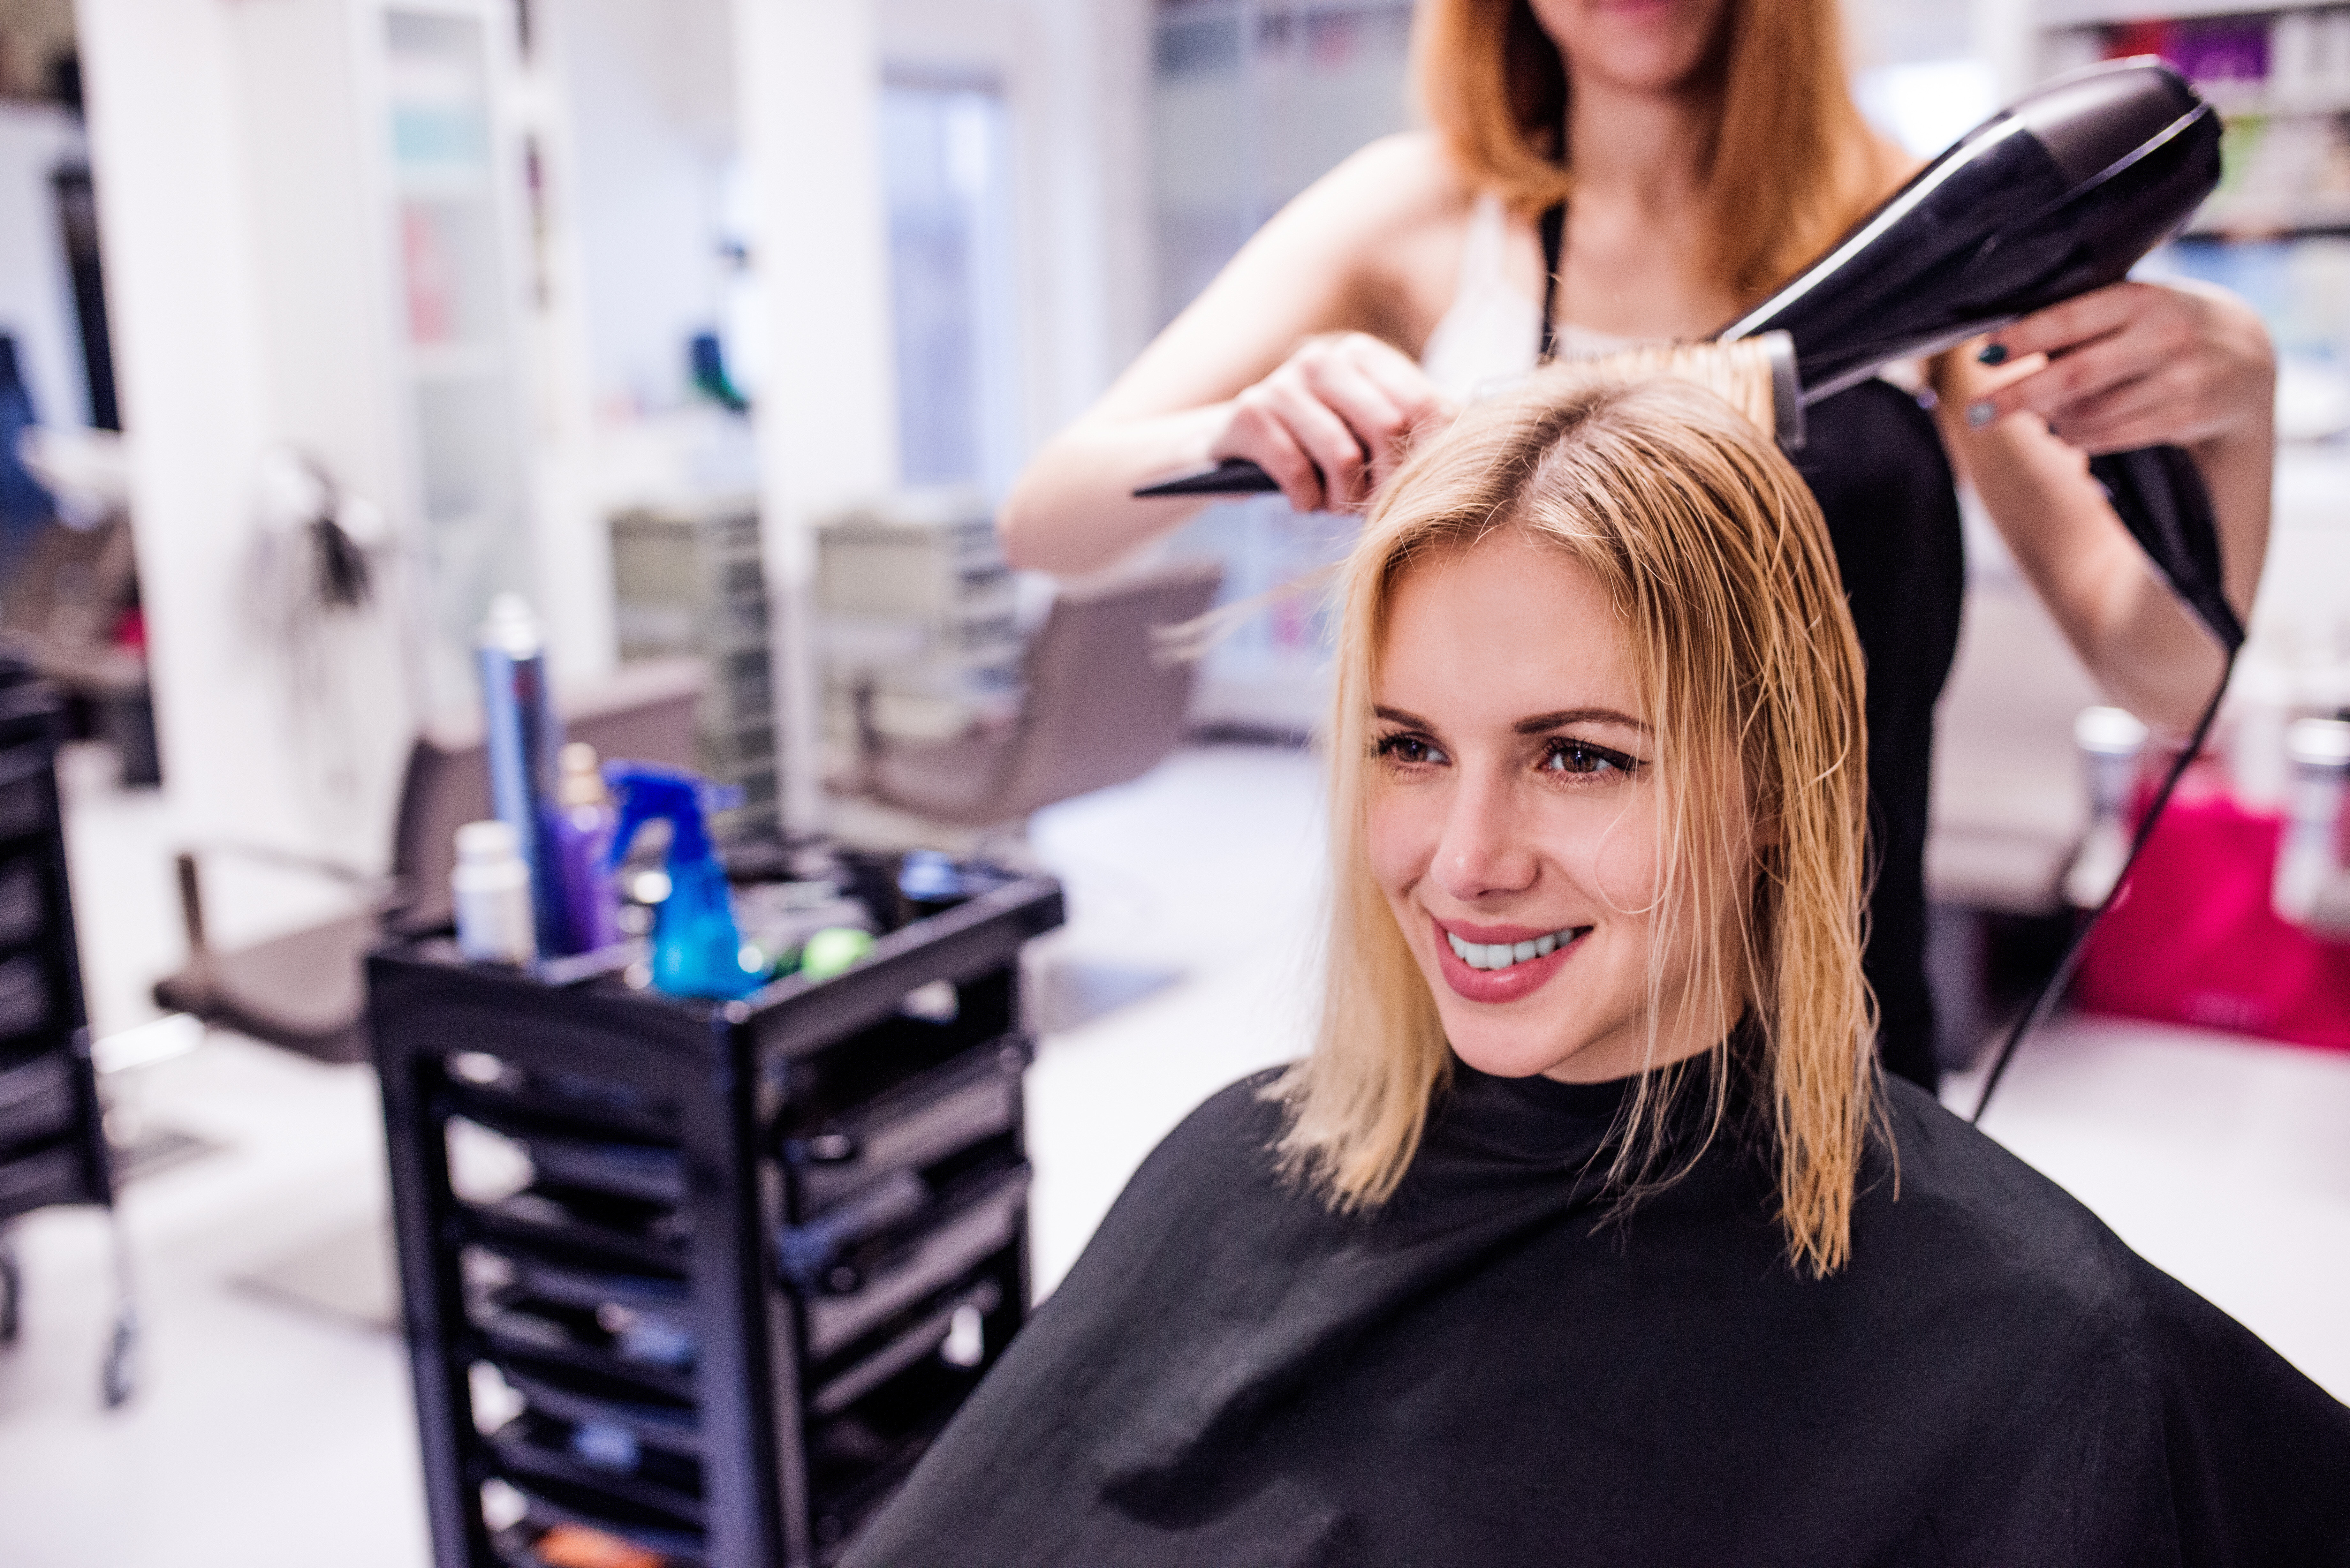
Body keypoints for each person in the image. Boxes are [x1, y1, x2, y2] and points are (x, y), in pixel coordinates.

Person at [848, 375, 2349, 1566]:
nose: (1467, 857)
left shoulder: (2041, 1357)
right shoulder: (1236, 1167)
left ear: (1774, 781)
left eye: (1578, 756)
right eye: (1410, 748)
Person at [996, 0, 2277, 1090]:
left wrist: (2236, 417)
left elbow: (2161, 671)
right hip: (1506, 1022)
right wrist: (1247, 420)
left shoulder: (1911, 225)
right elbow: (1048, 518)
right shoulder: (1423, 215)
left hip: (1841, 1020)